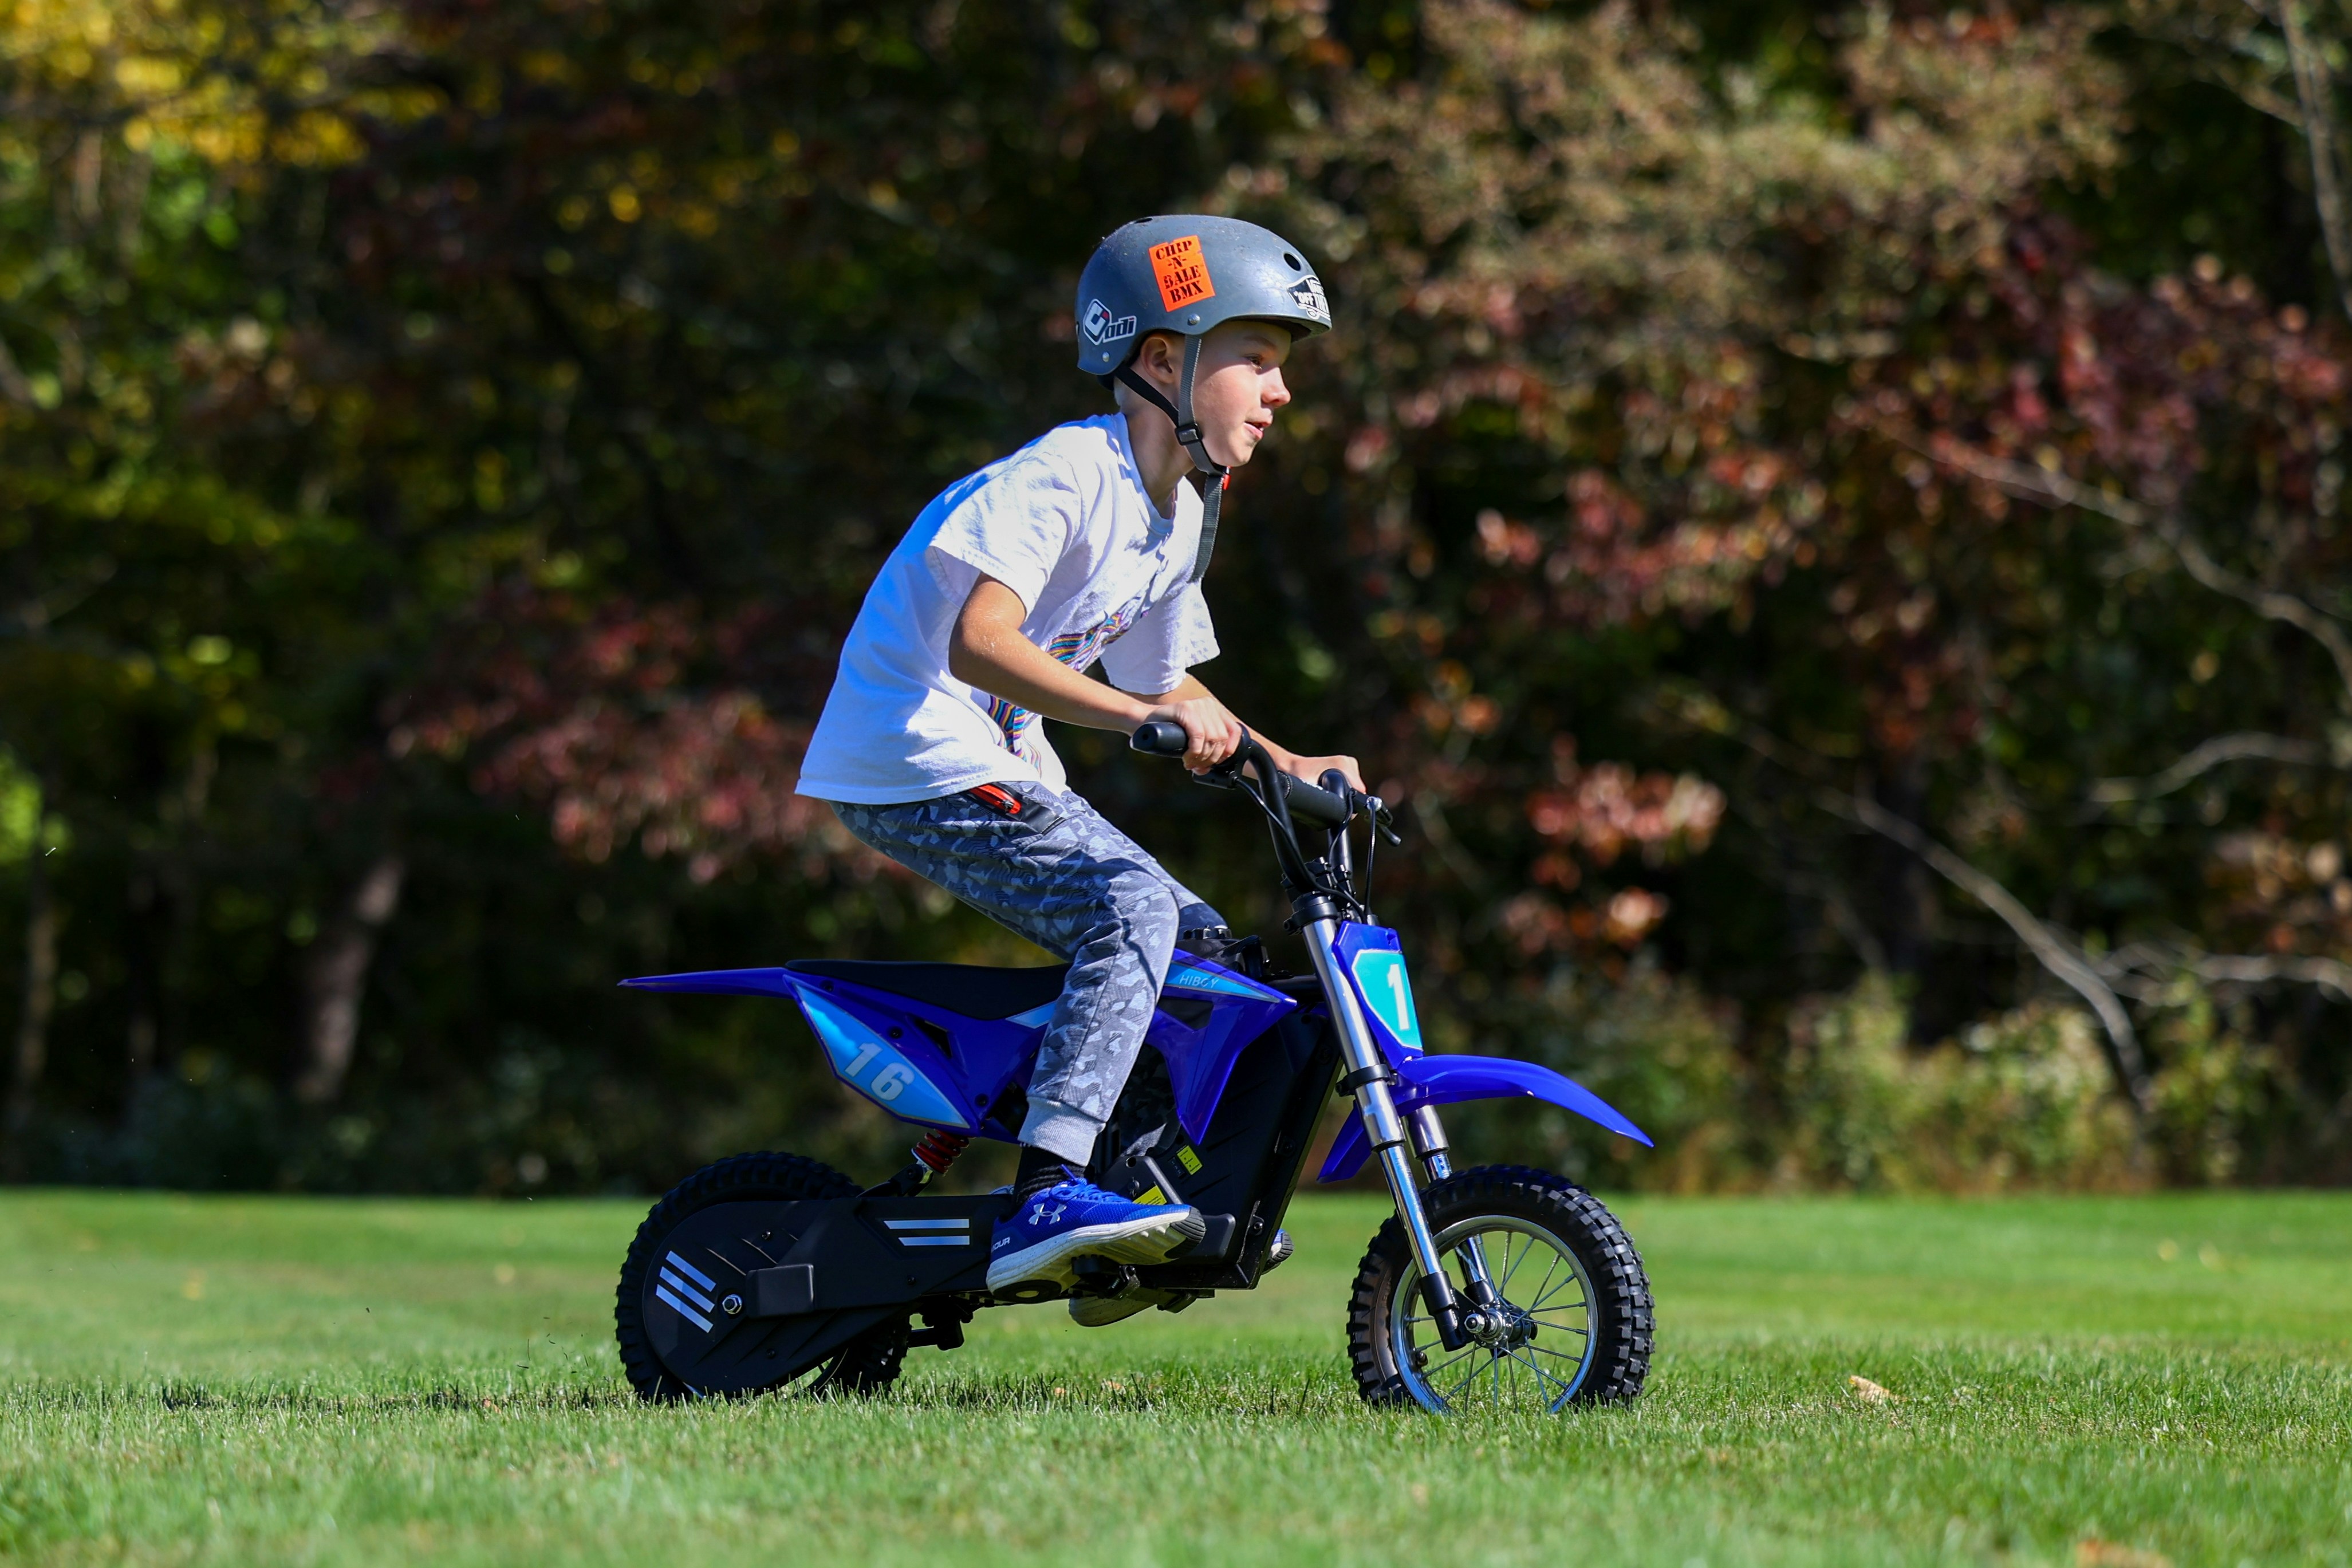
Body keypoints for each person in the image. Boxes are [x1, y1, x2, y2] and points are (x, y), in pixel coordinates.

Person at [794, 215, 1360, 1314]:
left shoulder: (1180, 514)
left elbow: (1172, 686)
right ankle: (1049, 1190)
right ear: (1162, 358)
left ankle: (1119, 1203)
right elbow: (981, 642)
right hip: (916, 750)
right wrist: (1131, 722)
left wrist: (1287, 762)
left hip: (998, 758)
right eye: (1259, 359)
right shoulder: (1068, 474)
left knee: (1200, 949)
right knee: (1134, 910)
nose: (1280, 392)